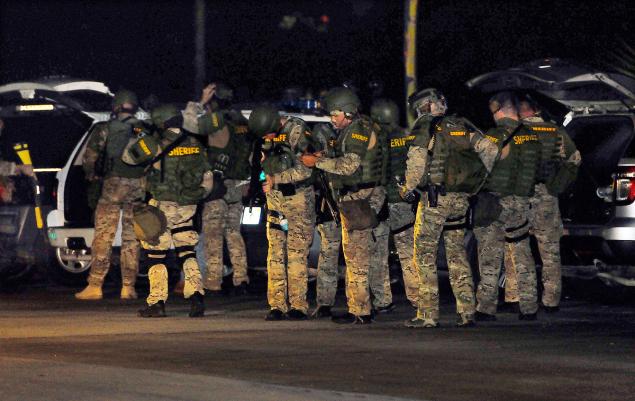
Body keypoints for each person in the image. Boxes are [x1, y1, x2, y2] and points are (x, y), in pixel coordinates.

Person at [400, 88, 498, 328]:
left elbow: (417, 160)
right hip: (461, 199)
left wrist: (407, 188)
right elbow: (491, 149)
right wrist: (477, 183)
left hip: (434, 200)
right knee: (457, 254)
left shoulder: (426, 126)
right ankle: (466, 311)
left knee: (424, 254)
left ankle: (427, 314)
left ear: (425, 106)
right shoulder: (462, 124)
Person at [125, 87, 215, 317]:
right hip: (188, 205)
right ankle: (196, 297)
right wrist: (196, 196)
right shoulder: (196, 143)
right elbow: (208, 178)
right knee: (187, 251)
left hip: (162, 206)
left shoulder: (154, 143)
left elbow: (128, 157)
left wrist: (139, 136)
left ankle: (157, 303)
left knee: (156, 254)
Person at [301, 87, 385, 325]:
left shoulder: (357, 130)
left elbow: (349, 166)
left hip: (358, 199)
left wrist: (317, 162)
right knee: (360, 255)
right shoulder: (358, 127)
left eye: (336, 115)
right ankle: (363, 306)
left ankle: (359, 310)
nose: (332, 120)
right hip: (358, 198)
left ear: (348, 112)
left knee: (356, 256)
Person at [502, 96, 581, 312]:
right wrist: (557, 185)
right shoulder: (555, 131)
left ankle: (516, 297)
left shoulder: (514, 132)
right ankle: (551, 300)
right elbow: (574, 159)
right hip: (547, 196)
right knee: (550, 250)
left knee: (515, 247)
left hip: (519, 197)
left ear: (519, 113)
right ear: (537, 110)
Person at [473, 91, 543, 321]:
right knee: (523, 255)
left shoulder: (495, 135)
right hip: (523, 202)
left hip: (497, 203)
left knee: (490, 256)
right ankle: (530, 306)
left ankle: (486, 307)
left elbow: (481, 165)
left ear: (498, 109)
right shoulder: (532, 136)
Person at [75, 90, 147, 301]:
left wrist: (92, 176)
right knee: (131, 239)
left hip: (112, 188)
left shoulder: (104, 129)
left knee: (103, 237)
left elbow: (90, 158)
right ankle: (128, 287)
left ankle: (95, 286)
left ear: (116, 107)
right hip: (138, 188)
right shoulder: (144, 130)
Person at [248, 104, 316, 321]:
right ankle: (276, 305)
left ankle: (298, 305)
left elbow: (307, 168)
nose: (266, 137)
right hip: (275, 201)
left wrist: (276, 180)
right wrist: (263, 182)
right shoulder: (266, 135)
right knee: (275, 254)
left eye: (268, 132)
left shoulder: (297, 131)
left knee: (296, 254)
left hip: (297, 200)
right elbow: (261, 164)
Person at [199, 83, 252, 296]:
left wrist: (200, 104)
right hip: (238, 185)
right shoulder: (242, 121)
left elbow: (194, 126)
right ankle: (241, 278)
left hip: (218, 185)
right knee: (233, 233)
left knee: (213, 233)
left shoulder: (218, 121)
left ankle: (213, 280)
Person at [370, 99, 419, 309]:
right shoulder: (408, 137)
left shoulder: (376, 139)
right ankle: (418, 299)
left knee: (378, 254)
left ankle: (382, 300)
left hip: (380, 201)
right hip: (402, 202)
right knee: (409, 253)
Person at [311, 123, 342, 318]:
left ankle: (325, 302)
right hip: (331, 212)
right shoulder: (329, 160)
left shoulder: (328, 161)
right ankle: (324, 302)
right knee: (328, 258)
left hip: (338, 211)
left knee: (329, 258)